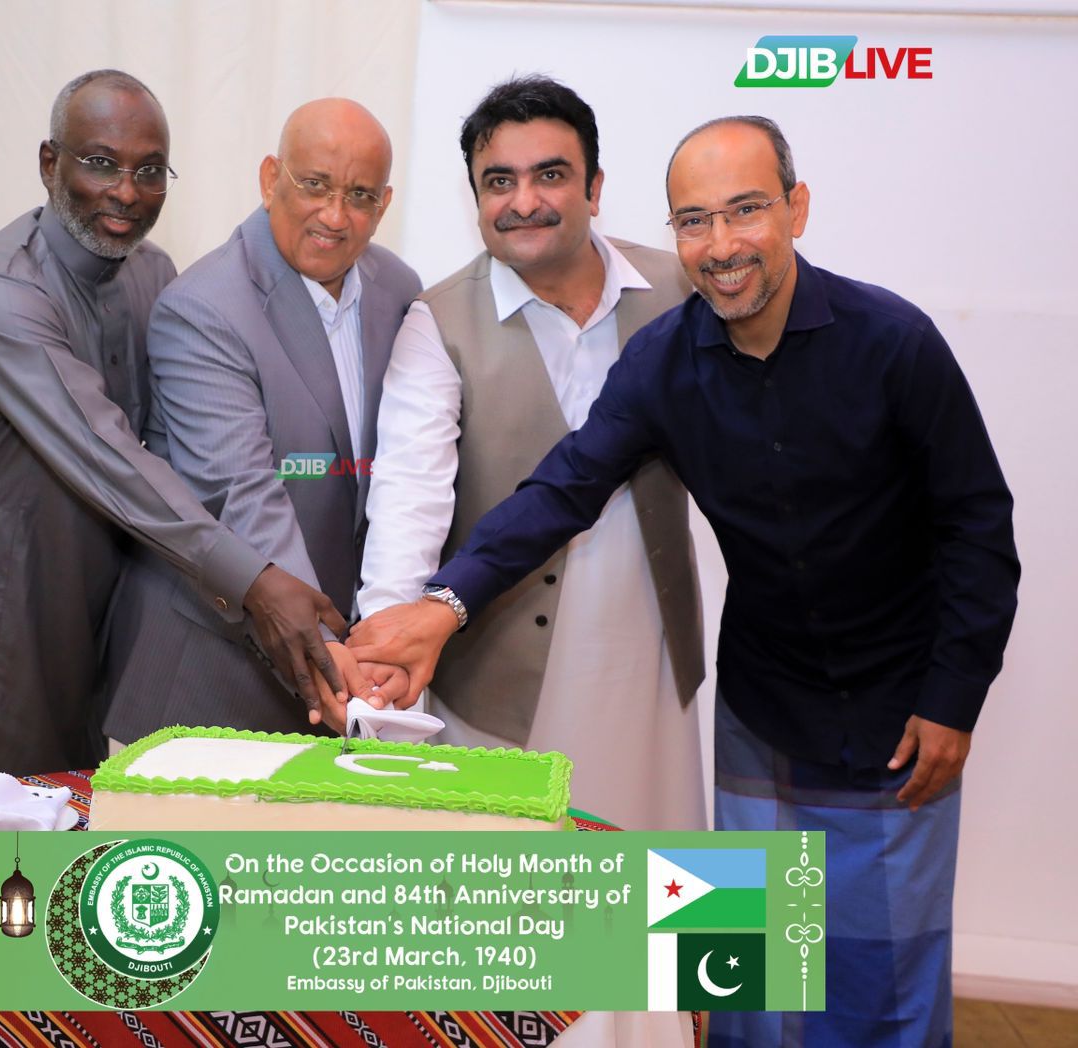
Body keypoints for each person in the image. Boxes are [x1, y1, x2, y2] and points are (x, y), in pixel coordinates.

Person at [349, 116, 1019, 1047]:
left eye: (746, 210)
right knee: (749, 986)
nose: (722, 244)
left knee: (882, 985)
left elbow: (978, 528)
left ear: (796, 208)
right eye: (694, 221)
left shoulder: (894, 342)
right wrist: (442, 605)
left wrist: (953, 698)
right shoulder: (664, 360)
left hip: (899, 714)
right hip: (761, 708)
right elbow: (563, 489)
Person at [0, 71, 354, 805]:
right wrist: (255, 580)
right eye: (100, 163)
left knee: (61, 809)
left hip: (86, 591)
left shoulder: (150, 274)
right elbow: (110, 457)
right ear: (50, 163)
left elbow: (185, 434)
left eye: (150, 170)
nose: (127, 192)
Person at [357, 75, 706, 833]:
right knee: (515, 881)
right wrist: (388, 645)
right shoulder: (438, 321)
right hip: (499, 671)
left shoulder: (681, 290)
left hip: (648, 653)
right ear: (475, 198)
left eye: (550, 174)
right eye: (499, 181)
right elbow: (409, 498)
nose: (524, 201)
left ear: (595, 188)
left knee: (658, 874)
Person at [101, 98, 421, 744]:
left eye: (360, 195)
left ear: (385, 204)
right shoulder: (202, 308)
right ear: (270, 178)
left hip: (344, 668)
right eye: (315, 185)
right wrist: (330, 653)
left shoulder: (398, 288)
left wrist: (386, 638)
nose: (335, 215)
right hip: (212, 676)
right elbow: (243, 494)